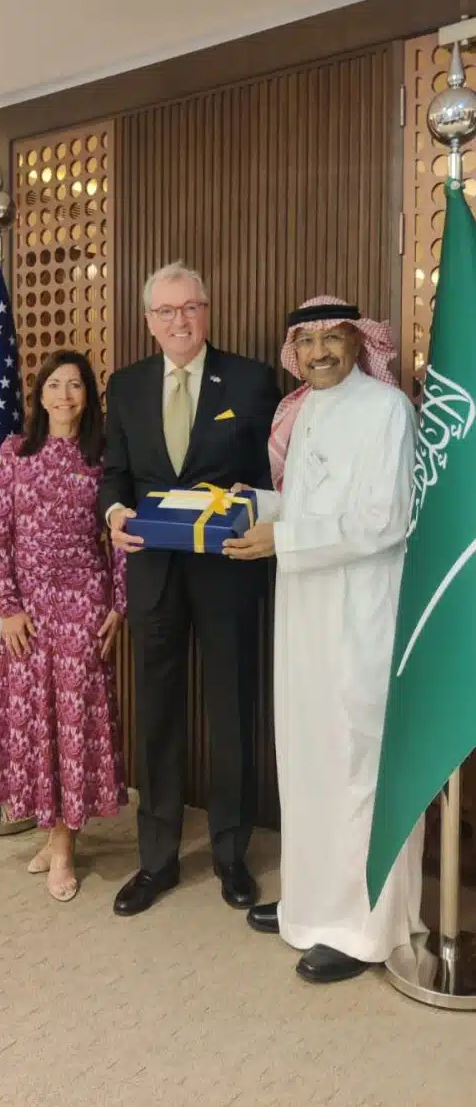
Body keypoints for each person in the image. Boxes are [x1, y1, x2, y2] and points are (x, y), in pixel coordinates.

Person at [223, 295, 424, 983]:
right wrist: (251, 506)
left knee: (357, 763)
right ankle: (312, 905)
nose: (317, 353)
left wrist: (282, 538)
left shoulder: (387, 410)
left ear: (358, 342)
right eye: (305, 342)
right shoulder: (304, 410)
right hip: (305, 611)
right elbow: (308, 505)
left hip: (361, 614)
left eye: (331, 338)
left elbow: (385, 520)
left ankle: (363, 928)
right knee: (309, 758)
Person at [100, 260, 280, 916]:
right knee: (157, 716)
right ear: (149, 321)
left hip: (228, 569)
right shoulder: (125, 386)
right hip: (154, 573)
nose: (180, 320)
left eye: (190, 307)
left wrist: (259, 508)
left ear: (207, 310)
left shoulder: (253, 381)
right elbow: (115, 473)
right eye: (167, 311)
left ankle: (231, 854)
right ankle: (157, 860)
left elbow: (276, 476)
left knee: (232, 713)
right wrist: (114, 514)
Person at [0, 350, 128, 902]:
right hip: (28, 611)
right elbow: (1, 536)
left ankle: (64, 845)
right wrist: (8, 607)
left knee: (73, 724)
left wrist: (119, 604)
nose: (65, 395)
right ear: (39, 395)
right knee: (35, 722)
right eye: (55, 385)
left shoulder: (103, 457)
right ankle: (52, 829)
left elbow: (120, 536)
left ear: (88, 397)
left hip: (83, 604)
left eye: (75, 386)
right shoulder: (14, 452)